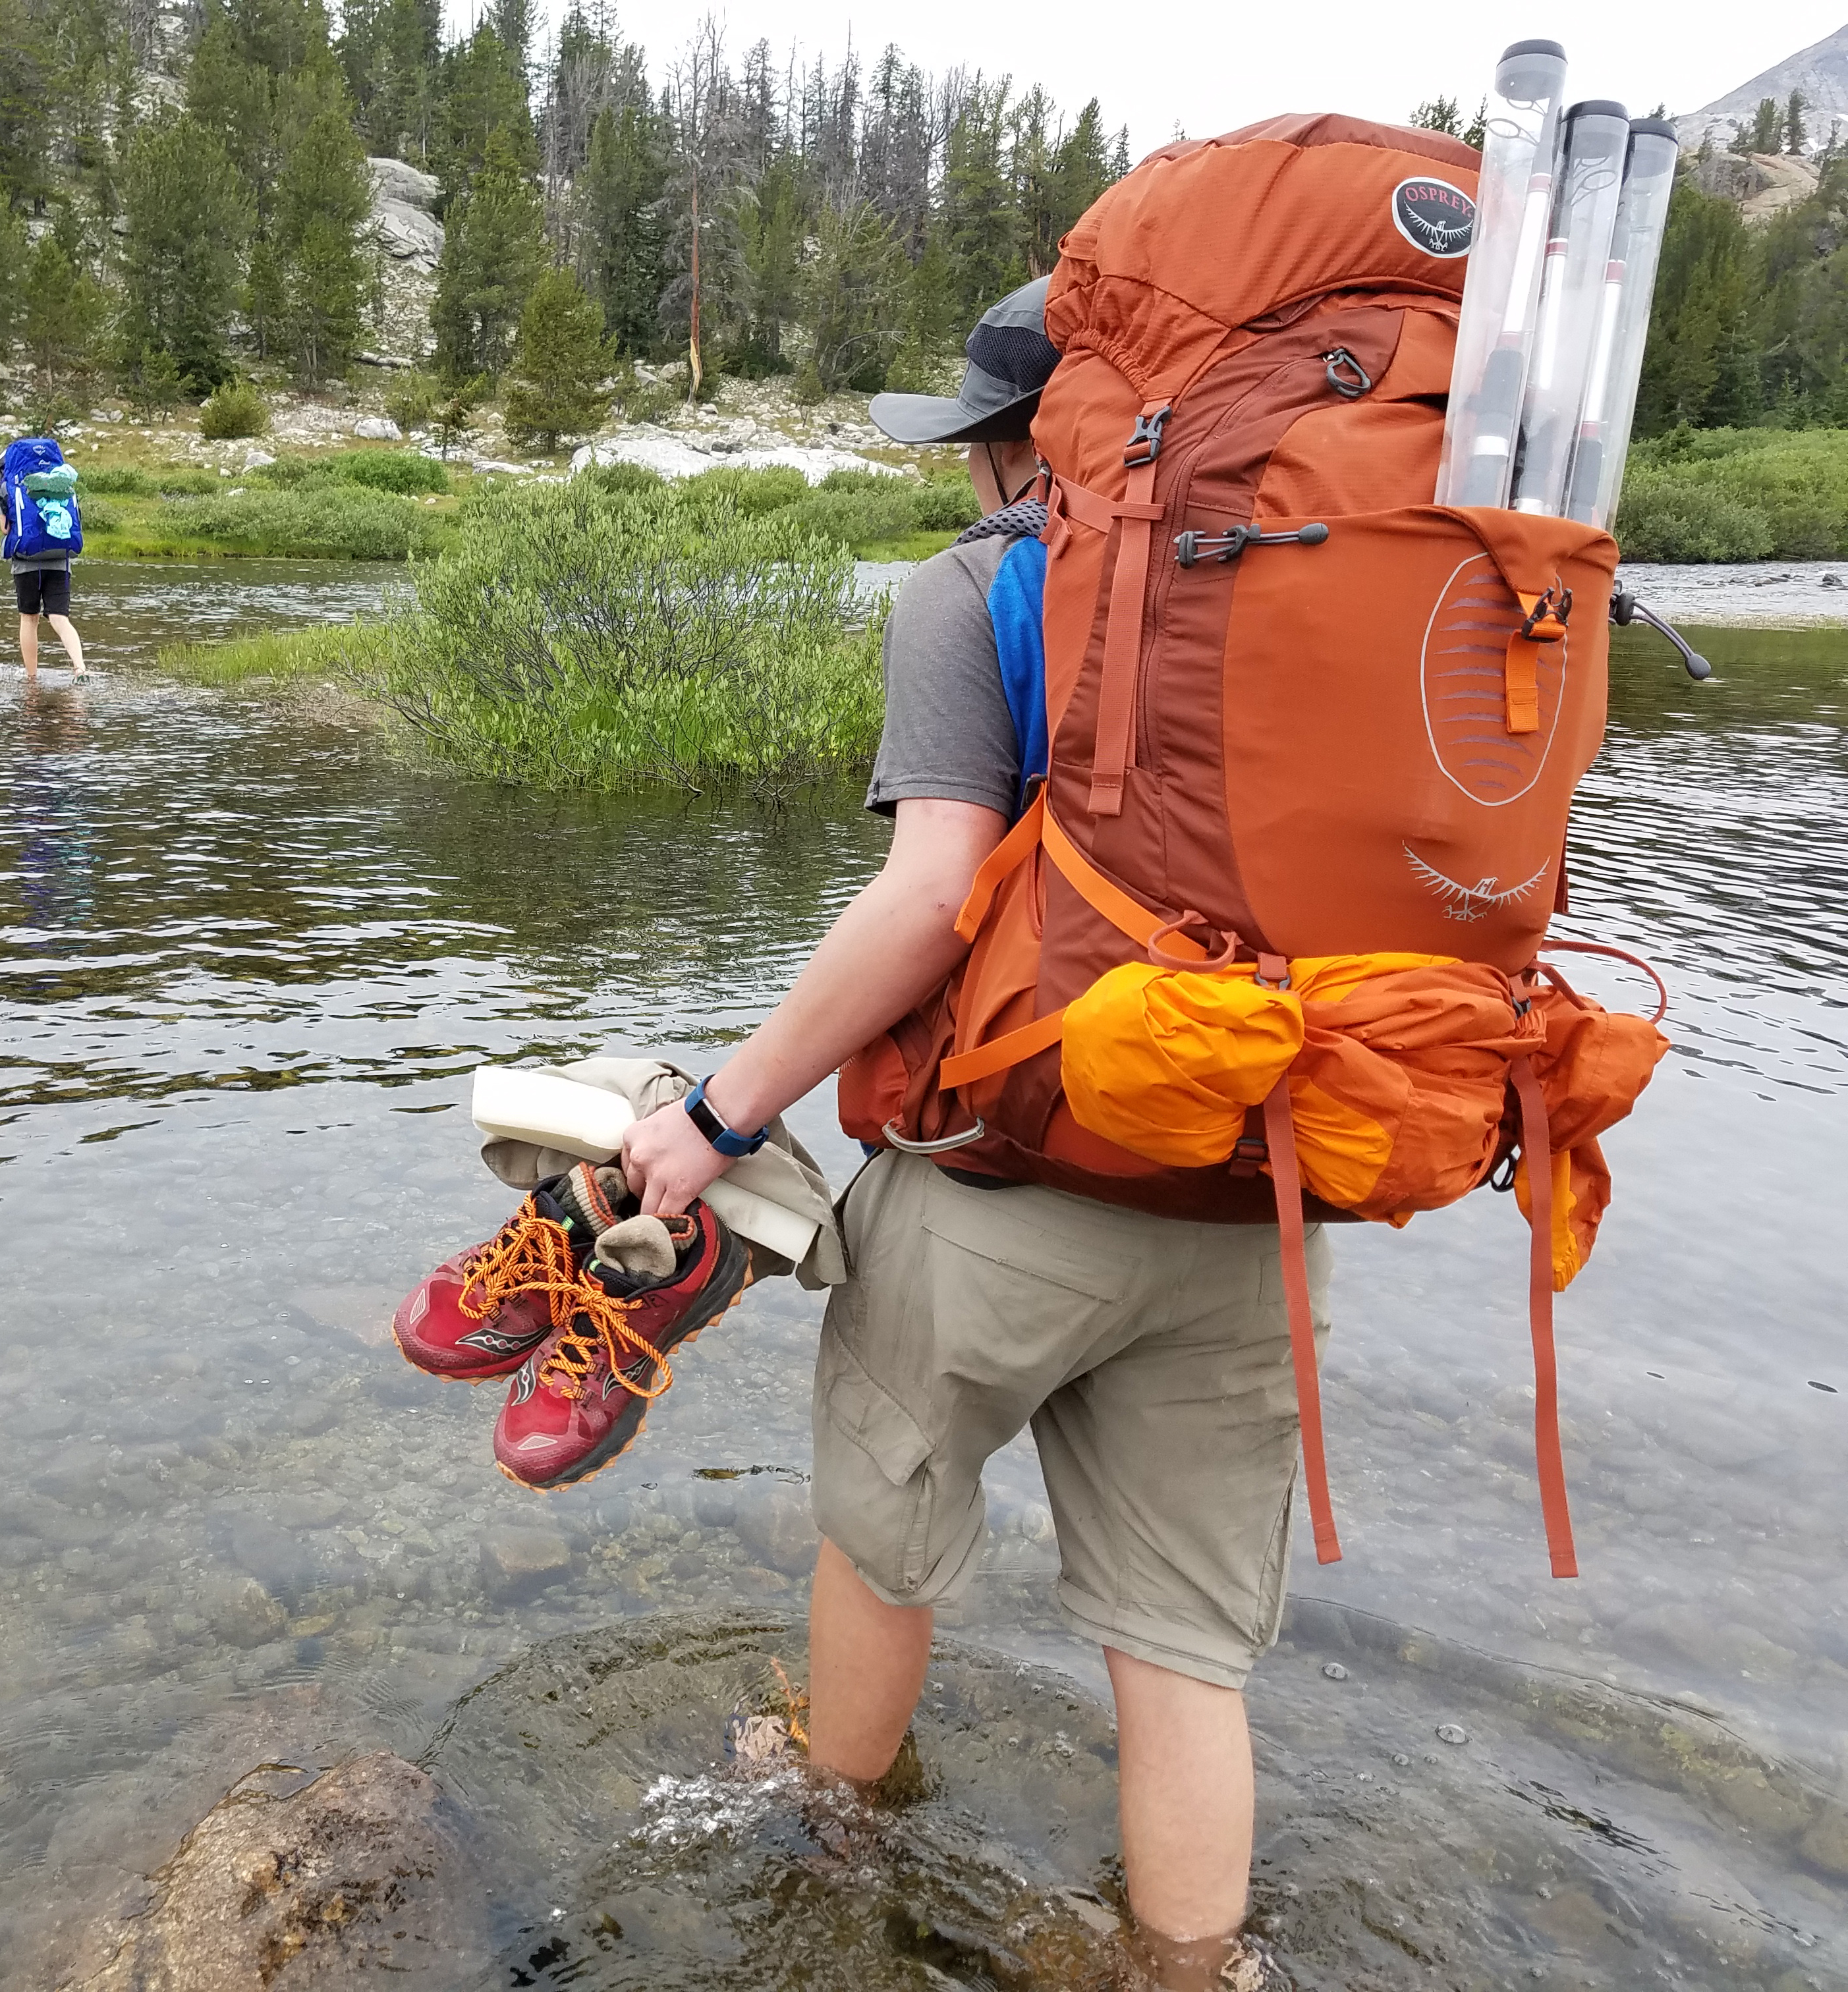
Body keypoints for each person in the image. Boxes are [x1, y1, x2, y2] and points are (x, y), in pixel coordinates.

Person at [611, 280, 1295, 1991]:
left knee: (881, 1526)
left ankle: (833, 1833)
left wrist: (716, 1112)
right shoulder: (1294, 586)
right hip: (1251, 1187)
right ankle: (1188, 1966)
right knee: (1185, 1656)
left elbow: (929, 903)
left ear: (1018, 446)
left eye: (984, 443)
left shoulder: (975, 586)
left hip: (1014, 1171)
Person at [0, 445, 89, 684]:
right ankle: (80, 668)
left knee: (29, 618)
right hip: (59, 560)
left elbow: (5, 529)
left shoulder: (4, 488)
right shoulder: (61, 482)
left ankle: (32, 678)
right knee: (59, 617)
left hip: (26, 562)